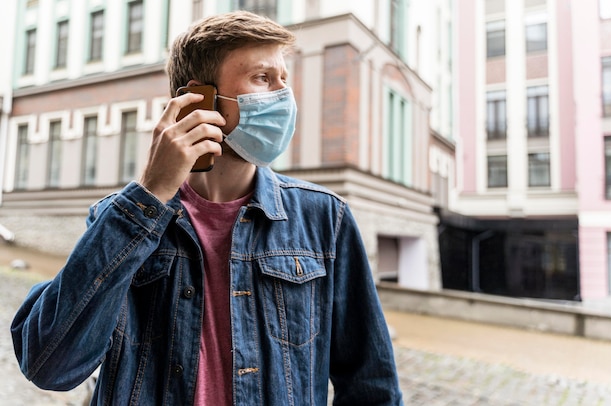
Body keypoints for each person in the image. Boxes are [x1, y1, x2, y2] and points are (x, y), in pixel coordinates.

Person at [11, 10, 403, 405]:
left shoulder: (324, 218)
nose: (283, 97)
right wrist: (148, 196)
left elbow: (373, 387)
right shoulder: (120, 220)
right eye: (263, 78)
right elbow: (49, 365)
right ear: (200, 99)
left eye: (284, 81)